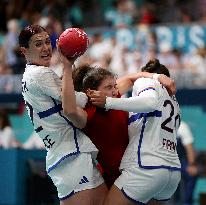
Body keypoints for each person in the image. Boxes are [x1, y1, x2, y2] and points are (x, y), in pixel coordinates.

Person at [19, 24, 107, 205]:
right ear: (24, 51)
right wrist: (100, 95)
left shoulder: (32, 75)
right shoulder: (39, 74)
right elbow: (76, 101)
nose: (45, 48)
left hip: (73, 152)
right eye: (37, 44)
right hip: (68, 156)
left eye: (46, 42)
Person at [89, 59, 181, 205]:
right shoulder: (174, 103)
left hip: (147, 167)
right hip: (172, 173)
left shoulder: (147, 82)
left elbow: (149, 103)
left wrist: (108, 102)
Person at [72, 64, 176, 189]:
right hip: (112, 178)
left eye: (115, 86)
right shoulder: (87, 114)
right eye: (109, 87)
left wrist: (158, 76)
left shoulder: (114, 97)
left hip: (136, 170)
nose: (115, 91)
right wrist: (67, 66)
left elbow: (132, 78)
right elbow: (69, 109)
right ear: (91, 92)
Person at [176, 121, 198, 205]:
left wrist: (191, 165)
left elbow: (189, 148)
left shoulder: (182, 127)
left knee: (191, 174)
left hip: (180, 162)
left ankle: (186, 201)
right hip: (167, 163)